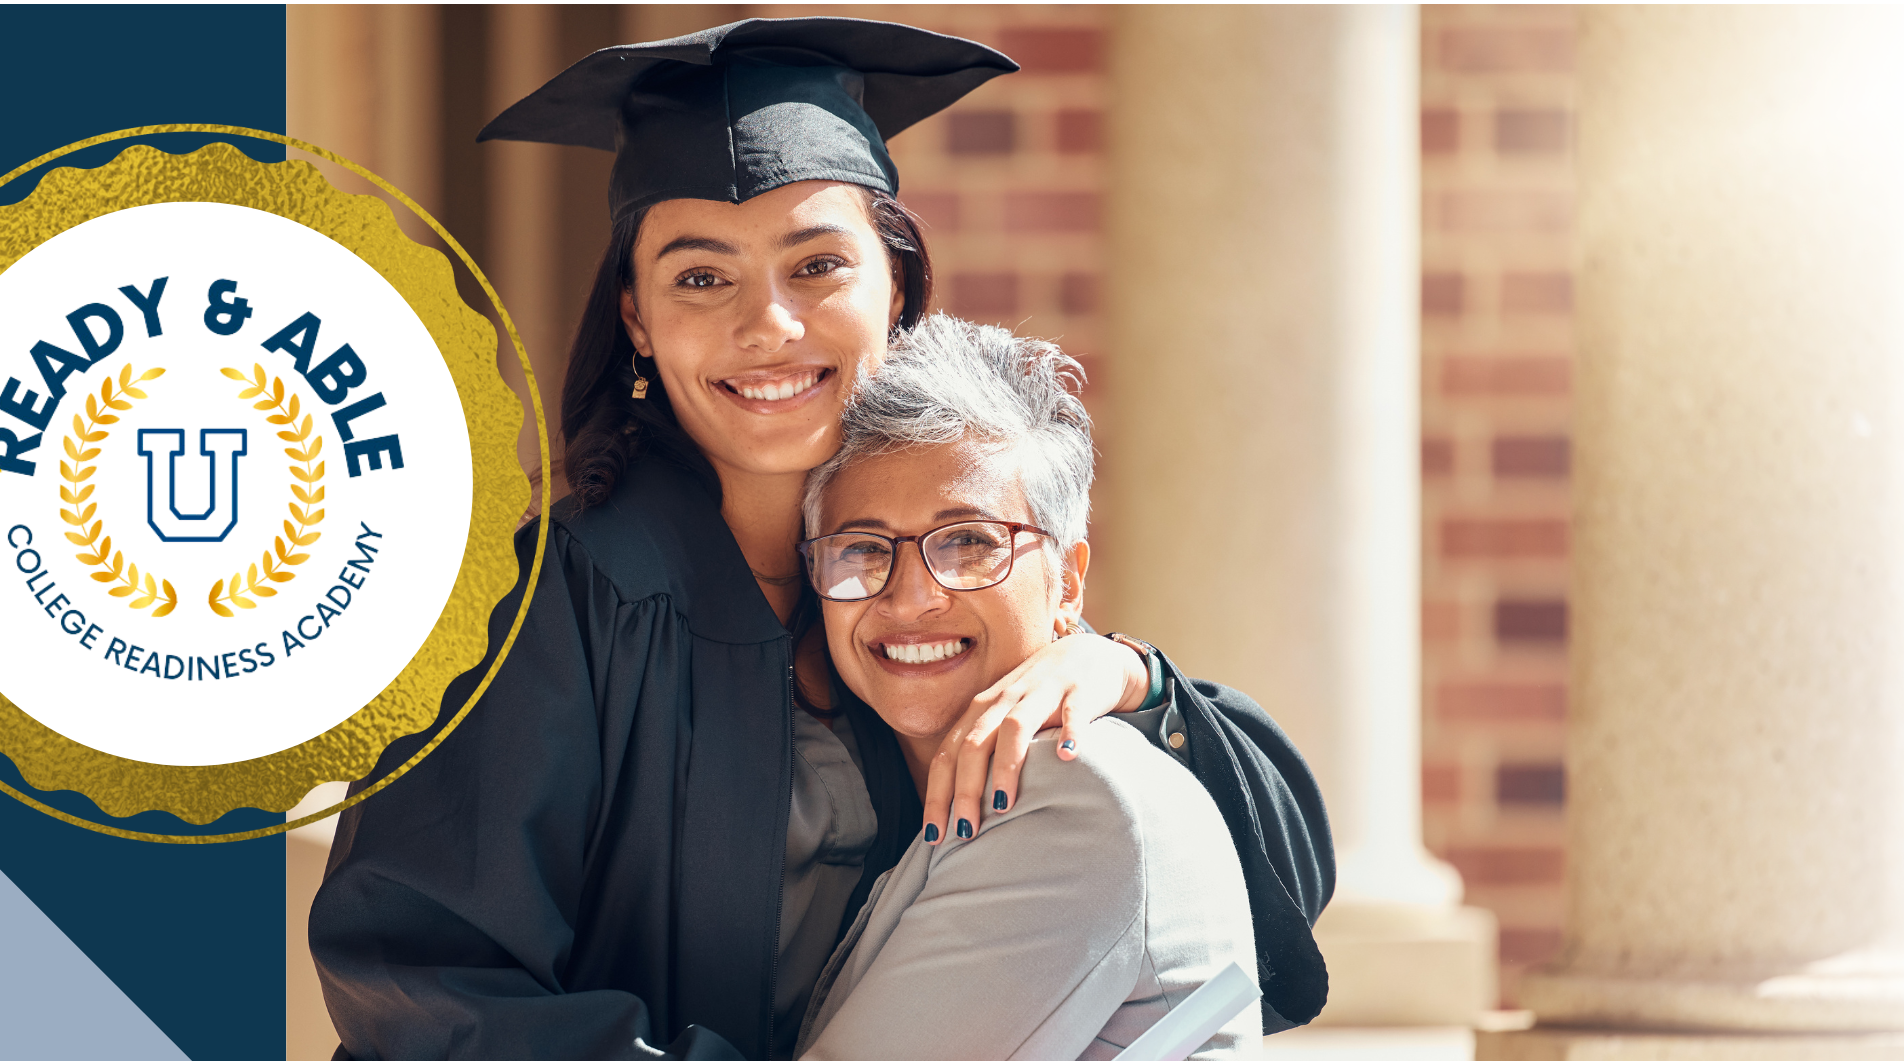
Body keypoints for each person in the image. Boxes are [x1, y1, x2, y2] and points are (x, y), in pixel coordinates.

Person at [311, 18, 1332, 1061]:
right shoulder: (543, 602)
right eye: (700, 278)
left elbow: (1266, 881)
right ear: (635, 317)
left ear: (897, 287)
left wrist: (1125, 675)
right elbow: (419, 974)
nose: (769, 326)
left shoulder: (913, 587)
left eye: (816, 266)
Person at [793, 315, 1291, 1061]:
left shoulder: (1076, 792)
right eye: (862, 549)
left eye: (968, 543)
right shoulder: (879, 786)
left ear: (1069, 581)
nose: (909, 597)